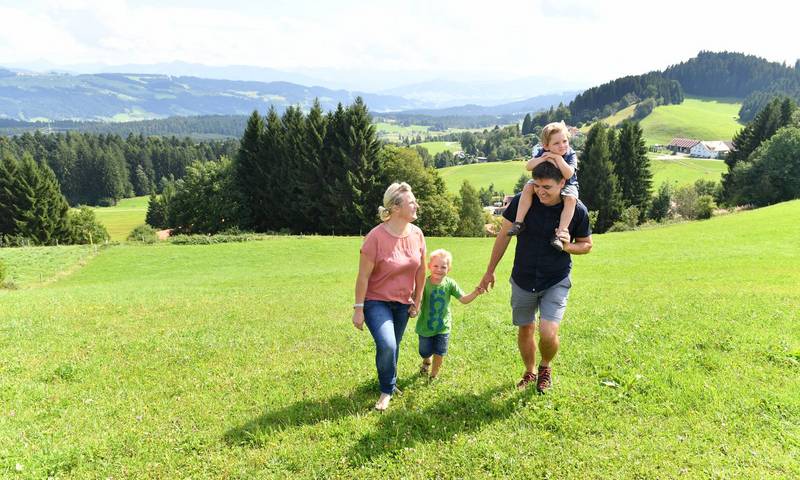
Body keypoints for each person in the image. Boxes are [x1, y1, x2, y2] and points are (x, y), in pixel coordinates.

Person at [480, 161, 592, 393]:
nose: (541, 191)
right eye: (537, 185)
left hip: (556, 279)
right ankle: (530, 371)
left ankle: (545, 367)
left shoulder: (576, 209)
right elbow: (504, 236)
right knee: (525, 328)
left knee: (548, 333)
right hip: (523, 277)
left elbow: (587, 245)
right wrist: (490, 270)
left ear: (562, 183)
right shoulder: (525, 200)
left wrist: (567, 246)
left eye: (548, 187)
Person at [352, 182, 426, 411]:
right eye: (411, 202)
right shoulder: (375, 237)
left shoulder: (417, 234)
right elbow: (363, 276)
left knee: (393, 346)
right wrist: (358, 308)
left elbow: (421, 271)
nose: (416, 205)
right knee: (387, 344)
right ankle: (386, 389)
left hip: (403, 303)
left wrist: (418, 299)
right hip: (377, 301)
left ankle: (389, 384)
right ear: (395, 207)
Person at [507, 121, 579, 252]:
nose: (562, 146)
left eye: (564, 141)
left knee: (571, 200)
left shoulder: (570, 154)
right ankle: (518, 222)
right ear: (546, 146)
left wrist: (558, 158)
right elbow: (528, 166)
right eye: (556, 143)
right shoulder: (542, 152)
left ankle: (560, 234)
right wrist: (543, 158)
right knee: (528, 187)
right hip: (545, 183)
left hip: (568, 184)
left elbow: (568, 174)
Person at [416, 249, 484, 381]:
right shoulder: (424, 283)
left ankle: (434, 375)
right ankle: (426, 361)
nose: (439, 269)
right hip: (425, 326)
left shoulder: (450, 284)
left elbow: (463, 299)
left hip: (443, 326)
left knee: (440, 352)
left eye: (443, 267)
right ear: (429, 266)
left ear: (449, 269)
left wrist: (475, 293)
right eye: (435, 266)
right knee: (424, 351)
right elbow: (416, 298)